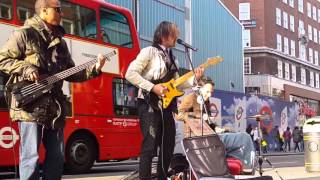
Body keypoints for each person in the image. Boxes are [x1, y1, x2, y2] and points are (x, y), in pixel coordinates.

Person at [0, 0, 106, 179]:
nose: (62, 13)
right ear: (44, 11)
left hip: (54, 108)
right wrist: (27, 68)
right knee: (30, 156)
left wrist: (95, 68)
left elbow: (70, 74)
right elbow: (3, 60)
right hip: (29, 106)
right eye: (58, 10)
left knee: (57, 157)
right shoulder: (24, 34)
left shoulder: (61, 43)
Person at [125, 21, 204, 179]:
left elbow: (177, 87)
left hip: (167, 107)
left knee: (167, 145)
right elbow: (130, 73)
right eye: (174, 33)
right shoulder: (149, 52)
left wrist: (194, 79)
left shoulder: (174, 59)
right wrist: (153, 88)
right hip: (149, 104)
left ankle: (162, 177)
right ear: (163, 35)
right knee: (150, 146)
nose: (177, 37)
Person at [176, 79, 255, 168]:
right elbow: (178, 114)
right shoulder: (191, 98)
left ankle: (233, 167)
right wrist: (199, 115)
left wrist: (217, 128)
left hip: (209, 135)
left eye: (211, 92)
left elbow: (208, 123)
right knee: (245, 137)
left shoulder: (206, 101)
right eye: (207, 92)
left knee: (239, 139)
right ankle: (248, 168)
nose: (209, 95)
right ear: (200, 89)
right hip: (197, 138)